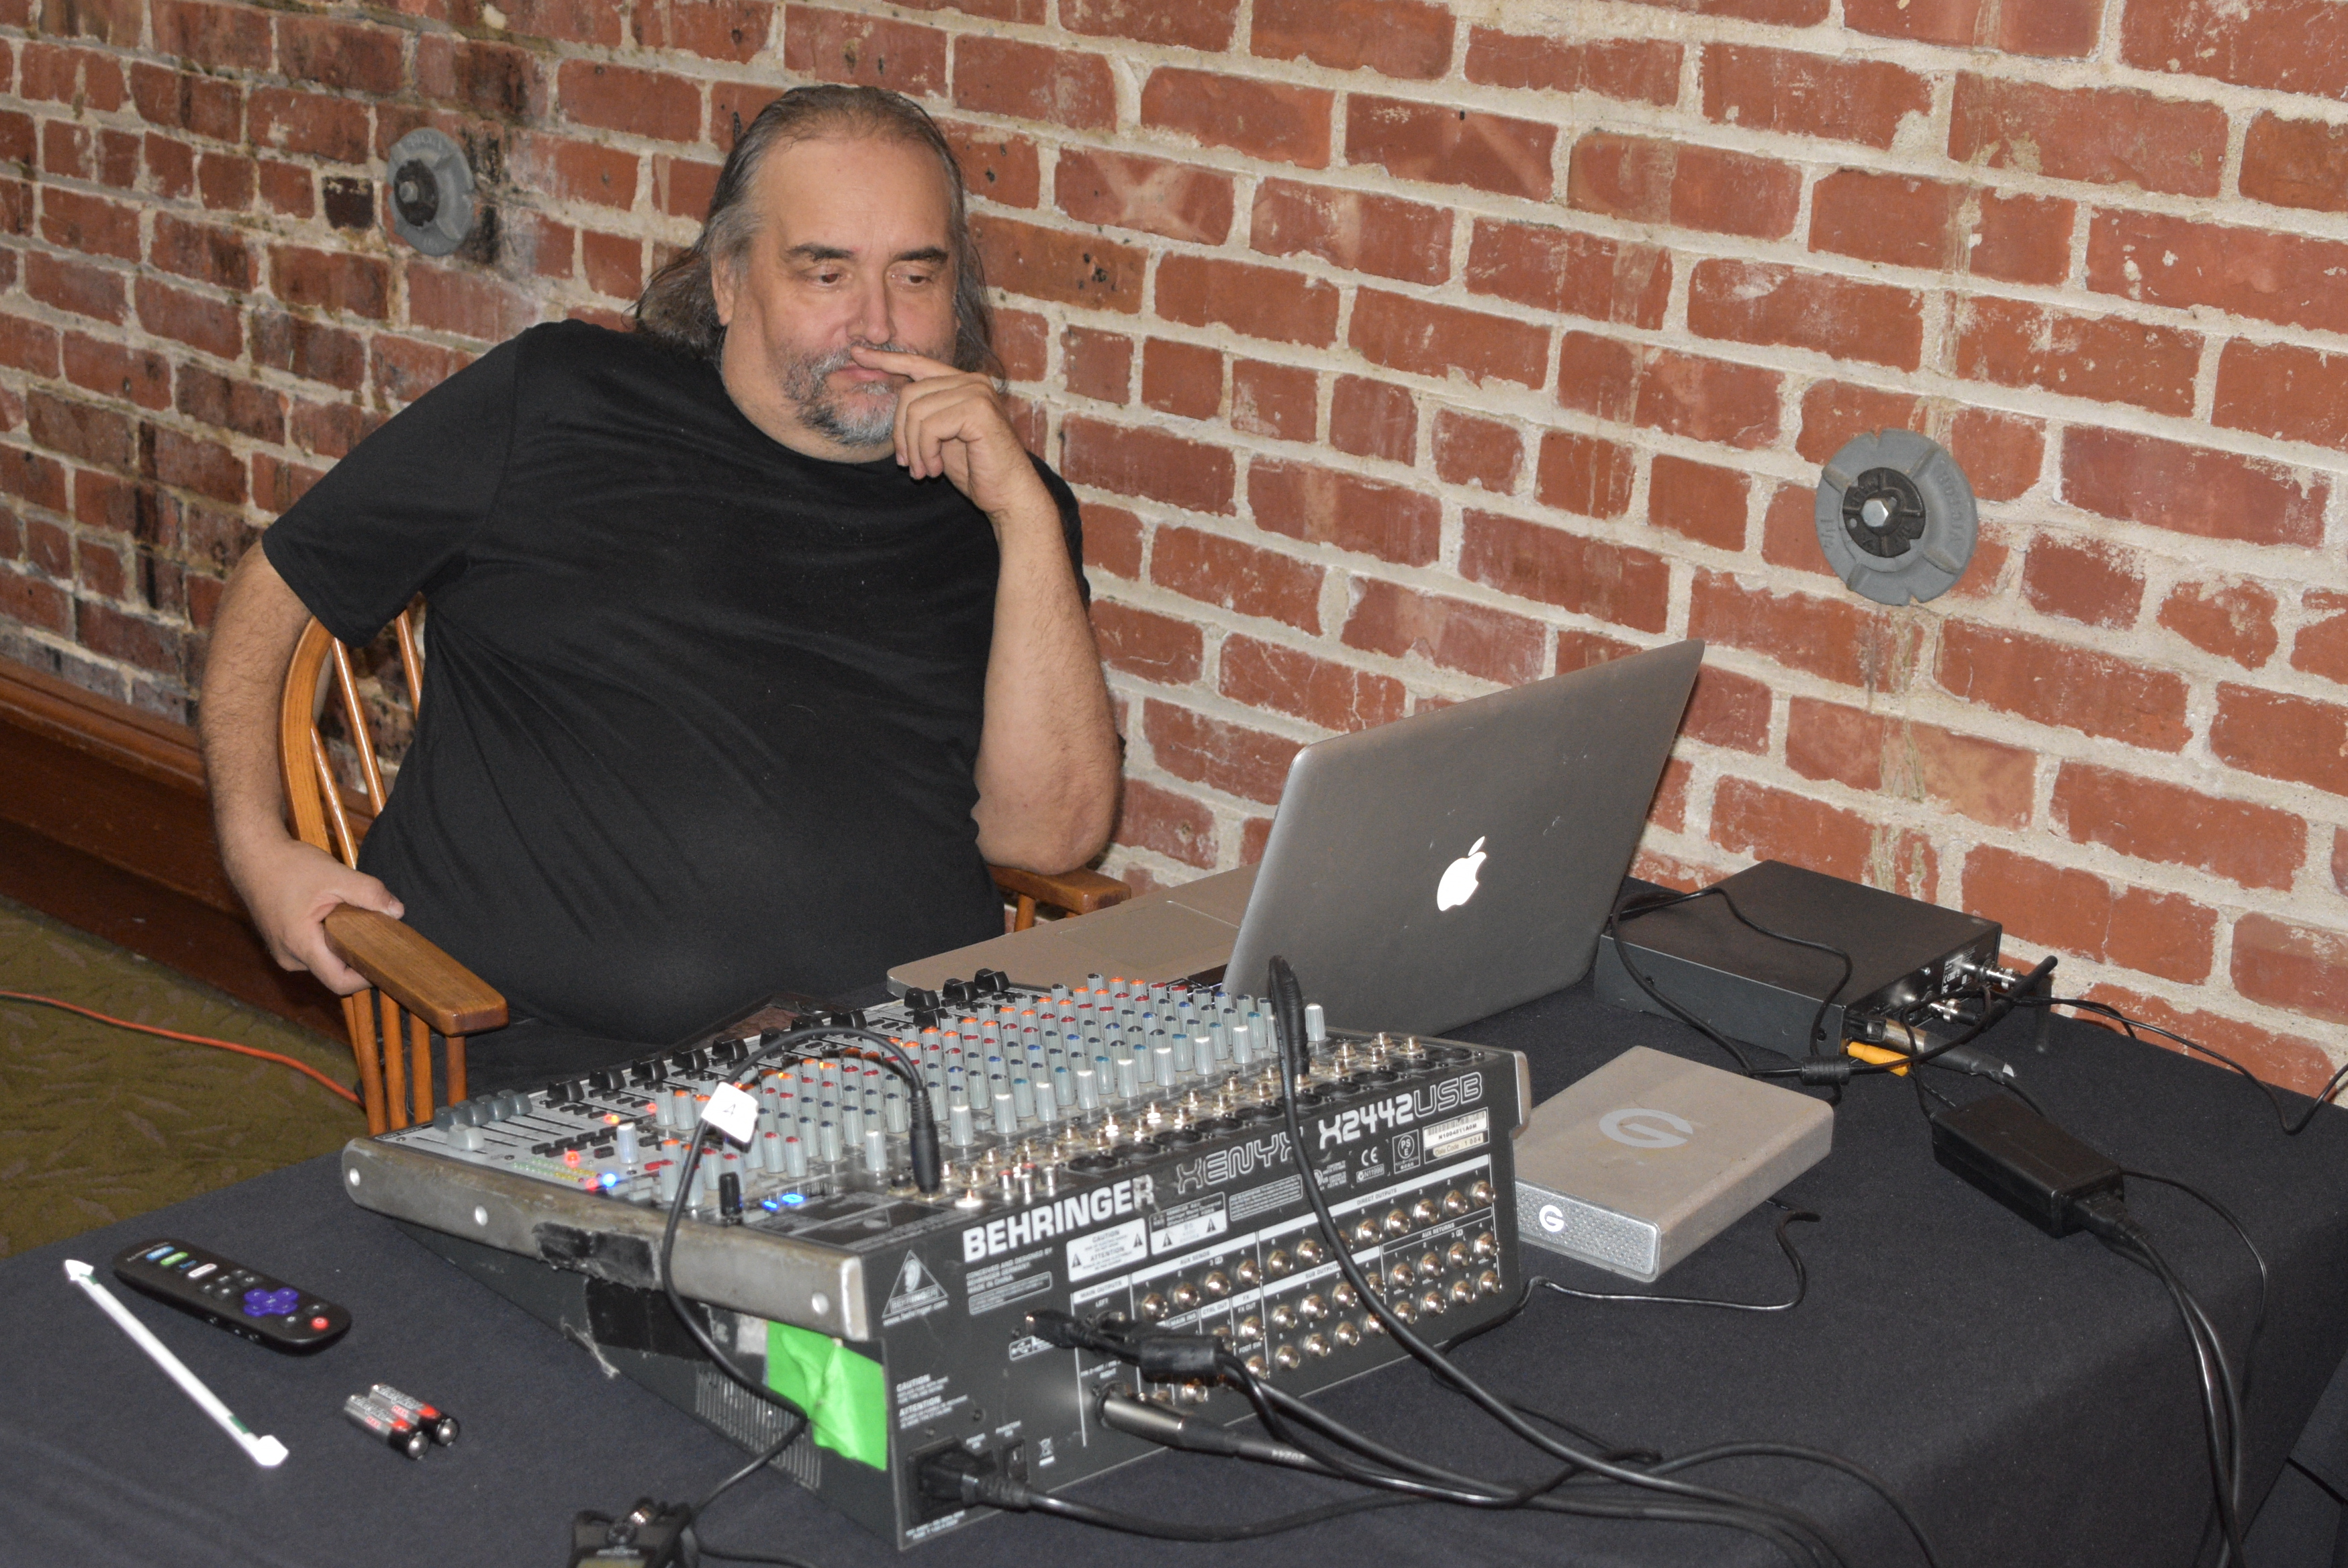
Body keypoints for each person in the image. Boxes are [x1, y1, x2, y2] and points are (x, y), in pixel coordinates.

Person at [198, 86, 1121, 1088]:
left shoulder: (999, 505)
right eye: (826, 272)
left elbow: (1047, 838)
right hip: (557, 1076)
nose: (877, 321)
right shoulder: (559, 403)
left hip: (903, 1076)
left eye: (916, 273)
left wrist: (1024, 518)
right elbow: (282, 583)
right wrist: (256, 847)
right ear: (728, 280)